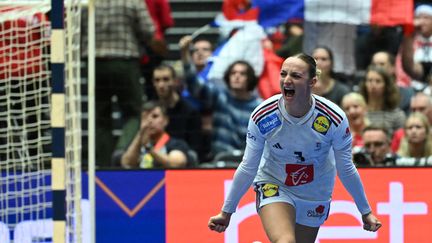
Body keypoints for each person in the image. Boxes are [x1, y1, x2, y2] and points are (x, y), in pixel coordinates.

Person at [208, 53, 381, 242]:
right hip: (274, 182)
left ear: (312, 82)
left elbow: (346, 169)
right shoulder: (263, 115)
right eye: (283, 74)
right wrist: (227, 212)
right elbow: (248, 166)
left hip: (316, 191)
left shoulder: (334, 118)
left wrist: (365, 211)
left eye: (296, 76)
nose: (287, 80)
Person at [81, 0, 155, 167]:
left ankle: (104, 164)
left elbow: (75, 30)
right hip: (124, 61)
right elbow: (148, 30)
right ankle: (121, 153)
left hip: (95, 63)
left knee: (100, 119)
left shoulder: (86, 1)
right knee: (135, 113)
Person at [186, 60, 262, 161]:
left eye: (242, 73)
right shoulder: (220, 96)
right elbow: (195, 86)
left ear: (250, 78)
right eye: (233, 73)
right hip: (219, 161)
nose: (237, 76)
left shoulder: (259, 107)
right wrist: (185, 56)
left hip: (247, 162)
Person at [120, 101, 192, 169]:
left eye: (155, 116)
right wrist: (140, 134)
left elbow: (176, 164)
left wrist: (149, 149)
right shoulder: (135, 145)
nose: (149, 121)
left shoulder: (176, 144)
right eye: (145, 117)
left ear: (165, 120)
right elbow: (126, 164)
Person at [358, 65, 406, 136]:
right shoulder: (358, 112)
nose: (373, 85)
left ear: (386, 86)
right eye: (370, 80)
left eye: (378, 81)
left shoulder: (397, 115)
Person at [401, 4, 432, 90]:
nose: (421, 22)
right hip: (413, 86)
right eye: (418, 18)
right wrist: (410, 32)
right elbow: (408, 67)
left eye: (426, 18)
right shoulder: (409, 41)